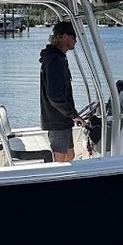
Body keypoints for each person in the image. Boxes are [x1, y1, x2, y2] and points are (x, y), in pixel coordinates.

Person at [39, 20, 82, 162]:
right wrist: (73, 114)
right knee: (60, 158)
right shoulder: (54, 60)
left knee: (70, 156)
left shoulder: (59, 58)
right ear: (64, 37)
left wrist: (72, 115)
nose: (76, 40)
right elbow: (55, 95)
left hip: (63, 119)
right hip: (57, 120)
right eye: (73, 36)